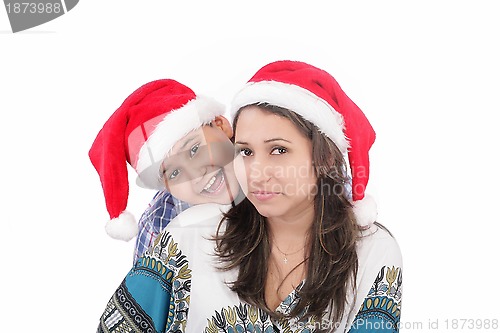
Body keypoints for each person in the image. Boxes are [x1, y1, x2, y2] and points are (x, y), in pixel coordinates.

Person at [96, 61, 402, 333]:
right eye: (246, 151)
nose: (257, 173)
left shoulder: (372, 251)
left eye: (279, 150)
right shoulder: (177, 230)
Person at [89, 79, 240, 264]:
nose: (195, 175)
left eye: (194, 149)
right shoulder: (159, 225)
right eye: (174, 173)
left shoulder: (272, 169)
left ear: (220, 125)